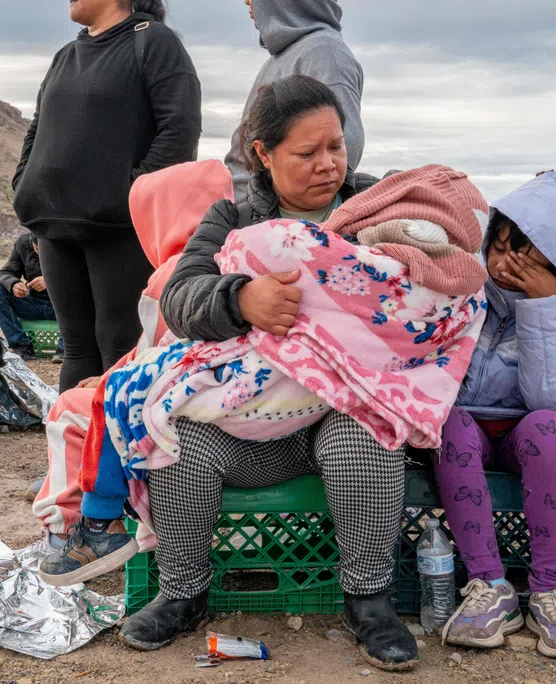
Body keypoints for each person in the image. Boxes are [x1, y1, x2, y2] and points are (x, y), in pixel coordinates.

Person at [120, 76, 418, 673]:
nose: (328, 165)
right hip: (252, 429)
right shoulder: (231, 217)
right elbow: (181, 296)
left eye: (335, 147)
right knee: (176, 442)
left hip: (336, 414)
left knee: (366, 435)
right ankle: (183, 591)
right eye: (307, 153)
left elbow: (428, 274)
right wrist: (240, 300)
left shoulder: (375, 208)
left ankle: (368, 600)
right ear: (263, 153)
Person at [432, 172, 556, 660]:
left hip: (531, 430)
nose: (507, 266)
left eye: (530, 260)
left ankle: (552, 589)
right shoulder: (466, 295)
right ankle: (490, 586)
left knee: (550, 427)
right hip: (470, 427)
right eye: (502, 247)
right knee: (448, 425)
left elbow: (550, 398)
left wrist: (546, 308)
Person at [13, 0, 202, 392]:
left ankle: (122, 458)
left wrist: (131, 194)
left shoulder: (152, 42)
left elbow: (179, 129)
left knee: (119, 344)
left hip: (119, 230)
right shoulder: (67, 55)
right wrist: (25, 184)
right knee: (76, 348)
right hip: (54, 227)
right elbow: (38, 128)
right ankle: (74, 458)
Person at [31, 160, 234, 560]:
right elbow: (157, 349)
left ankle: (68, 528)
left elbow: (157, 363)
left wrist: (110, 381)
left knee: (68, 413)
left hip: (177, 411)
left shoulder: (173, 274)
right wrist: (112, 372)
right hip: (228, 402)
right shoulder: (234, 257)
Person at [225, 0, 364, 203]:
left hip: (280, 227)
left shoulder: (324, 52)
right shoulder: (284, 56)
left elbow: (343, 150)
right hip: (251, 214)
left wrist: (279, 215)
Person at [0, 233, 57, 360]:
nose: (42, 254)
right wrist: (14, 284)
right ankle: (21, 346)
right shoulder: (23, 243)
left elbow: (83, 277)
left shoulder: (67, 243)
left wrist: (50, 280)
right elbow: (6, 272)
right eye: (38, 249)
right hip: (33, 304)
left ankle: (66, 349)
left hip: (61, 307)